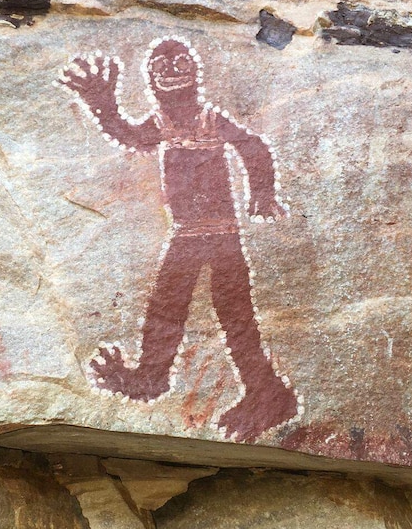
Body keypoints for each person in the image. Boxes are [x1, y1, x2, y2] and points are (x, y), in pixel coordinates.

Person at [58, 37, 301, 442]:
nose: (171, 70)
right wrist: (101, 101)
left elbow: (254, 148)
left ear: (193, 72)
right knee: (174, 307)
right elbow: (129, 134)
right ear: (152, 79)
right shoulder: (164, 123)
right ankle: (155, 376)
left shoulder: (209, 120)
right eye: (162, 65)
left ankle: (263, 392)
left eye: (178, 62)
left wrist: (262, 194)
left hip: (219, 236)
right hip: (191, 236)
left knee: (231, 315)